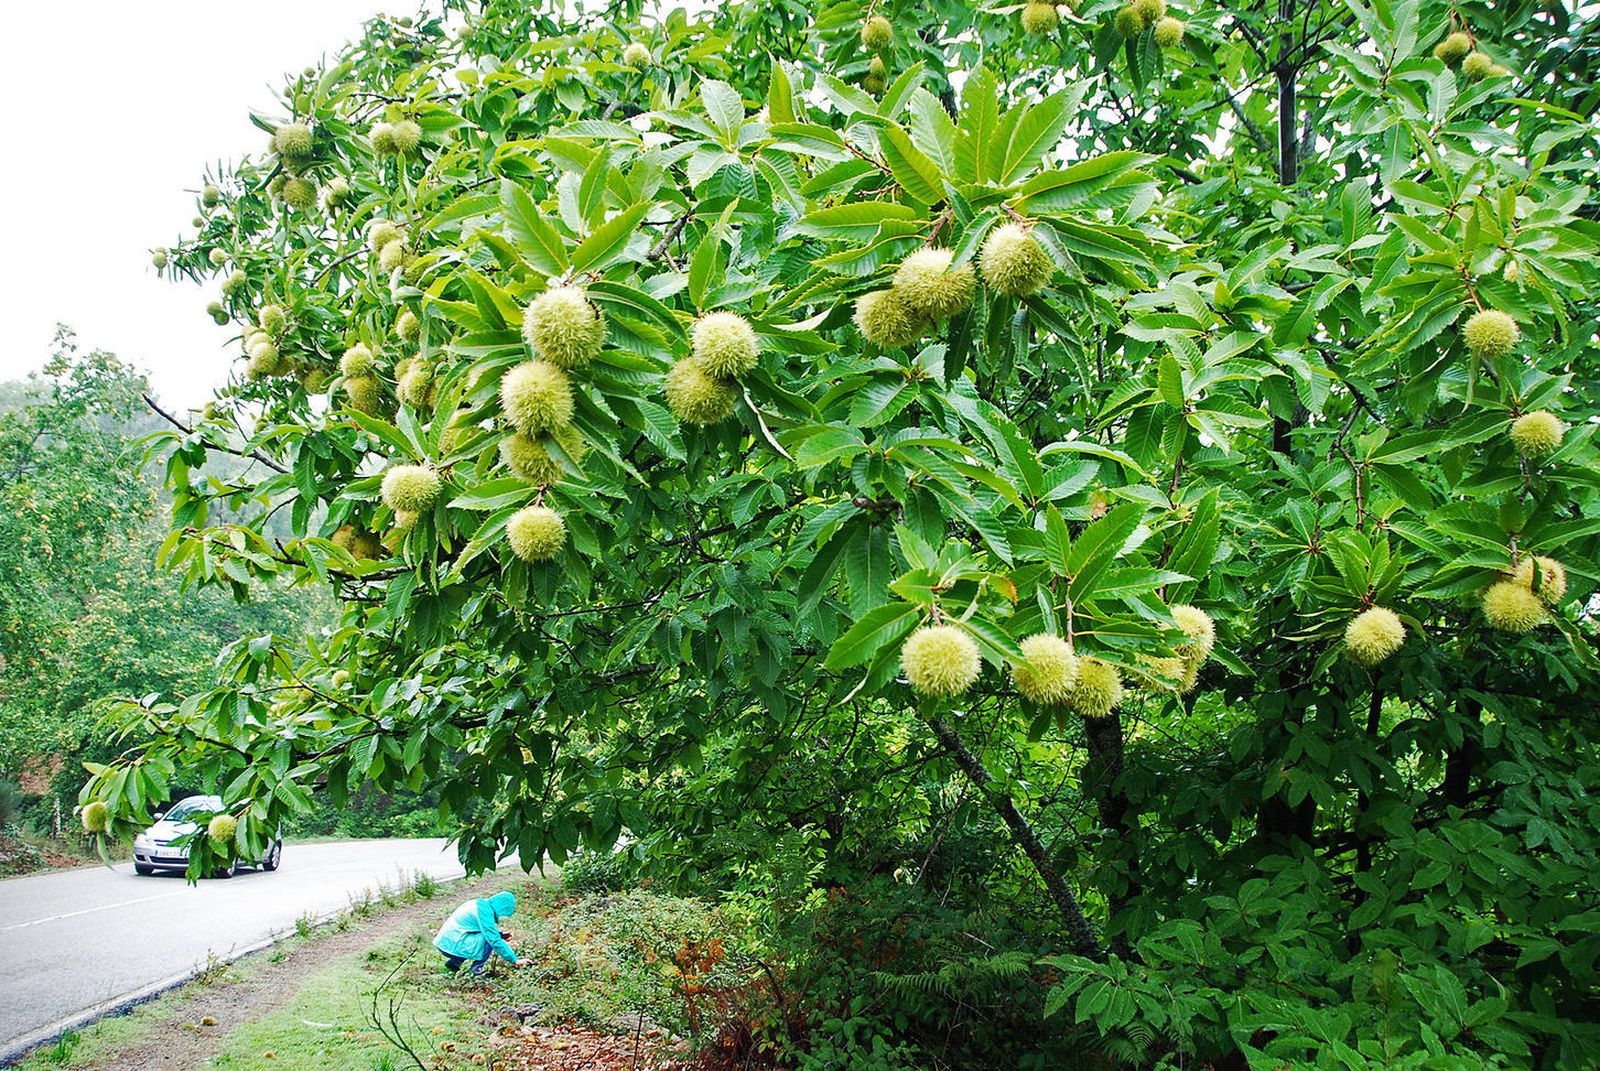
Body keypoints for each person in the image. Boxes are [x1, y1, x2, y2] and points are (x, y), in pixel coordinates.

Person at [433, 890, 522, 974]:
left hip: (446, 942)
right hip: (451, 946)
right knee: (488, 940)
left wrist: (500, 934)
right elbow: (493, 939)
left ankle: (455, 963)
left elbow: (477, 928)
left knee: (486, 937)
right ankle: (476, 970)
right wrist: (514, 960)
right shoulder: (484, 912)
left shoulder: (480, 904)